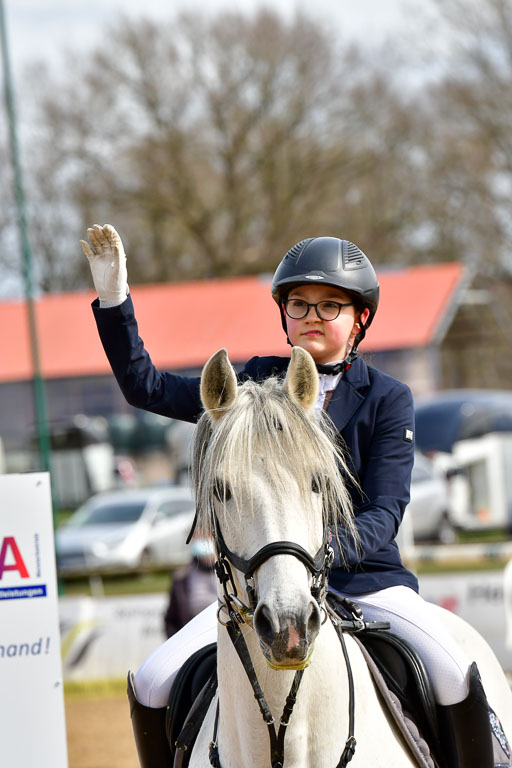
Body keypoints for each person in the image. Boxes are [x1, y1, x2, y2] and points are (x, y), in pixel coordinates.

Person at [81, 224, 505, 768]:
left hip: (368, 583)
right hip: (264, 583)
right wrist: (115, 297)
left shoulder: (387, 399)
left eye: (330, 306)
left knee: (453, 672)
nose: (312, 316)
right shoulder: (253, 385)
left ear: (360, 320)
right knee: (153, 681)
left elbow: (385, 510)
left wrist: (321, 554)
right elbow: (148, 387)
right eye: (300, 304)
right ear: (283, 314)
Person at [163, 538, 217, 638]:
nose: (203, 540)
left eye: (206, 535)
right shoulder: (182, 576)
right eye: (198, 536)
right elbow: (171, 620)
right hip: (194, 638)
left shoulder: (228, 573)